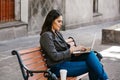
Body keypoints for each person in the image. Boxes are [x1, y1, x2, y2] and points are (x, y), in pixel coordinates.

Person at [40, 9, 109, 80]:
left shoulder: (57, 33)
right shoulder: (46, 36)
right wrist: (70, 51)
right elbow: (54, 56)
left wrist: (77, 50)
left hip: (67, 61)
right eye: (59, 21)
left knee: (90, 54)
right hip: (57, 67)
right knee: (94, 65)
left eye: (61, 21)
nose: (61, 24)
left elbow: (66, 48)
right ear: (51, 21)